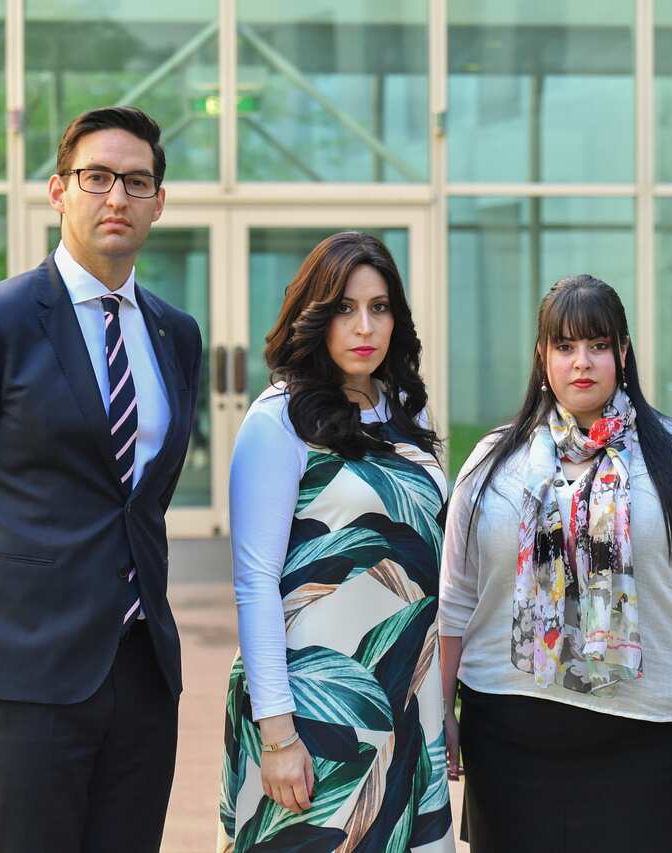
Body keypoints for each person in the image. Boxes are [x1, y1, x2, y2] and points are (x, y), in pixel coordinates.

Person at [0, 106, 202, 852]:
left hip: (141, 673)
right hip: (19, 673)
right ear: (59, 191)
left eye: (137, 181)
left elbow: (140, 499)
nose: (117, 196)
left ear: (159, 202)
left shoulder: (176, 334)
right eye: (97, 177)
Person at [439, 275, 672, 853]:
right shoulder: (493, 462)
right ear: (542, 358)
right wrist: (442, 710)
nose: (581, 362)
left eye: (598, 345)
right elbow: (456, 598)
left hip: (661, 742)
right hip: (513, 742)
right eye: (564, 346)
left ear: (624, 352)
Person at [219, 232, 454, 852]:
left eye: (380, 308)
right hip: (312, 708)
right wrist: (278, 734)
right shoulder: (279, 418)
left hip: (406, 697)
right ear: (315, 315)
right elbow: (255, 582)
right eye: (346, 308)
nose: (365, 327)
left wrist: (441, 702)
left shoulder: (407, 411)